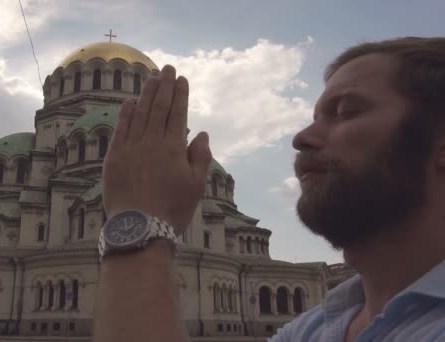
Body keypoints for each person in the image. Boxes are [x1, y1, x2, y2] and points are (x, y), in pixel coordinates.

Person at [92, 37, 445, 342]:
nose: (301, 137)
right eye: (315, 116)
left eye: (346, 112)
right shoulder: (318, 327)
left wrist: (138, 222)